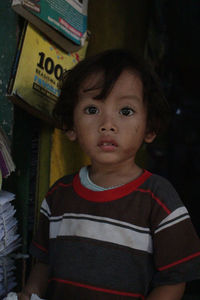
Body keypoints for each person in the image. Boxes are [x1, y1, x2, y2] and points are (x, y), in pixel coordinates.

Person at [19, 49, 200, 300]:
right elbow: (44, 263)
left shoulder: (158, 199)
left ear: (149, 128)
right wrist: (31, 291)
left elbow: (174, 281)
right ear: (70, 126)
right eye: (92, 110)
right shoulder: (58, 194)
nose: (107, 124)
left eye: (125, 111)